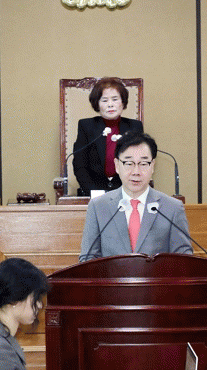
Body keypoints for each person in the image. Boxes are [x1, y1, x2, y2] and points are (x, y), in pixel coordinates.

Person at [79, 131, 193, 262]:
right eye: (129, 163)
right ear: (117, 165)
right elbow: (87, 258)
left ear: (152, 166)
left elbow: (184, 260)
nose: (136, 172)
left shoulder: (172, 208)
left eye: (143, 164)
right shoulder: (98, 207)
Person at [72, 77, 143, 196]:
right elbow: (80, 165)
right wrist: (95, 193)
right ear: (97, 104)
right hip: (93, 191)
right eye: (104, 100)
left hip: (127, 190)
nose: (110, 105)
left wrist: (129, 190)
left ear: (123, 102)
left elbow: (139, 163)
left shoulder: (135, 127)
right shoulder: (86, 126)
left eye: (115, 99)